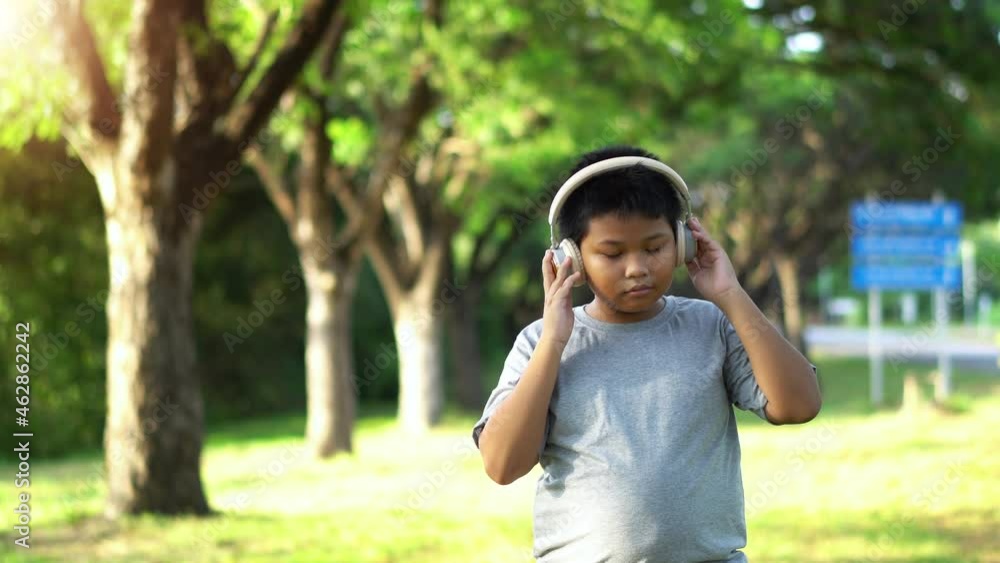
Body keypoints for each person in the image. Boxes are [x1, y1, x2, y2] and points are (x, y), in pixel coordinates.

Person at [471, 145, 822, 562]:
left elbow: (800, 404)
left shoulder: (710, 325)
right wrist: (553, 343)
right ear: (572, 258)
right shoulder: (540, 342)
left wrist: (730, 294)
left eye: (654, 248)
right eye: (612, 253)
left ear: (683, 243)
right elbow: (502, 464)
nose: (637, 267)